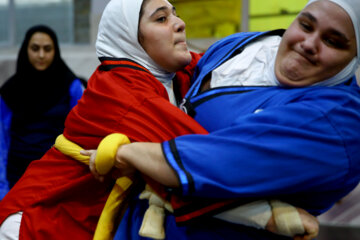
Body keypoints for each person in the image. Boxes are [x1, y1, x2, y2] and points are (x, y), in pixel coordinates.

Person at [0, 1, 317, 240]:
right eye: (161, 19)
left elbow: (230, 68)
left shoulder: (171, 74)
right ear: (132, 39)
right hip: (37, 220)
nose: (179, 23)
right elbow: (200, 163)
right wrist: (273, 216)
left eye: (175, 13)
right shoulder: (123, 94)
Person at [84, 0, 360, 239]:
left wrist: (130, 152)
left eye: (332, 42)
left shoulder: (339, 122)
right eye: (306, 25)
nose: (309, 44)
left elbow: (220, 162)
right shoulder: (243, 46)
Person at [0, 25, 85, 197]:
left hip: (58, 175)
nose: (41, 55)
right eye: (34, 48)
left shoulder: (72, 86)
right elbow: (2, 142)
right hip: (17, 177)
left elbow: (82, 134)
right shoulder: (9, 92)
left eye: (47, 49)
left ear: (55, 51)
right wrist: (3, 189)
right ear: (25, 50)